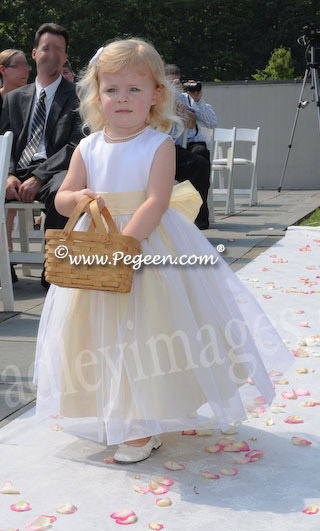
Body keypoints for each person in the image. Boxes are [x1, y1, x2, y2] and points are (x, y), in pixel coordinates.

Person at [33, 38, 293, 464]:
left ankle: (142, 422)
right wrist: (80, 196)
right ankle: (114, 411)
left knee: (147, 332)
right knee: (97, 333)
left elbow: (155, 200)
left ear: (156, 94)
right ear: (98, 94)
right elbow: (61, 199)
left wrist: (126, 247)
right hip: (96, 244)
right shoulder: (89, 146)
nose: (122, 99)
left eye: (134, 89)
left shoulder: (157, 145)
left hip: (145, 244)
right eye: (112, 89)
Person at [0, 23, 83, 288]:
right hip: (17, 171)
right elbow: (4, 142)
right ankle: (4, 267)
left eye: (60, 49)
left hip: (55, 171)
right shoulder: (14, 99)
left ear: (66, 56)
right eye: (47, 48)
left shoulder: (78, 97)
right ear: (35, 53)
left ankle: (53, 268)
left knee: (64, 193)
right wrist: (9, 173)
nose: (53, 54)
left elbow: (75, 146)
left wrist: (39, 175)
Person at [0, 49, 31, 282]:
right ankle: (5, 259)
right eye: (19, 65)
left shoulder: (29, 100)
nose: (27, 70)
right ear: (3, 70)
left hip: (19, 166)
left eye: (27, 65)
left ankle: (6, 258)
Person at [165, 63, 217, 162]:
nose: (174, 86)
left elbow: (212, 122)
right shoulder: (158, 100)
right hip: (173, 146)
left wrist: (198, 101)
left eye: (176, 83)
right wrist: (173, 94)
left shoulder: (187, 98)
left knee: (201, 153)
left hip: (191, 144)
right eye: (170, 83)